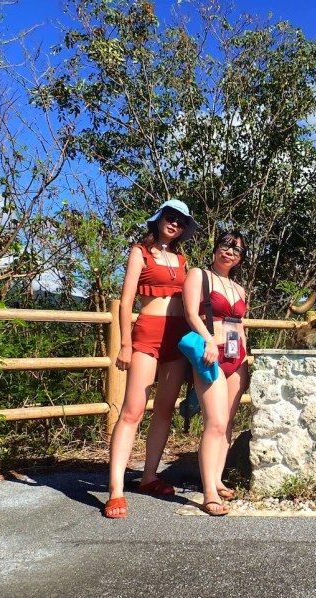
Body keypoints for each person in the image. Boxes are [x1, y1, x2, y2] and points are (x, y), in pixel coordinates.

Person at [104, 200, 198, 518]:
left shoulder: (181, 259)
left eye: (181, 221)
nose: (174, 224)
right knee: (132, 411)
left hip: (177, 339)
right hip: (146, 333)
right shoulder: (139, 252)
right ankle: (116, 490)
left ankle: (148, 477)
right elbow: (126, 300)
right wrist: (126, 344)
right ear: (158, 220)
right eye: (170, 218)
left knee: (164, 411)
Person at [183, 230, 249, 516]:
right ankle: (208, 490)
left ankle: (217, 479)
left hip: (238, 357)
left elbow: (240, 324)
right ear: (215, 248)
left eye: (237, 250)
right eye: (226, 246)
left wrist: (247, 356)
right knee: (216, 422)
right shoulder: (199, 275)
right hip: (211, 353)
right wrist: (209, 340)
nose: (230, 253)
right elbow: (191, 314)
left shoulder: (239, 288)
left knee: (229, 422)